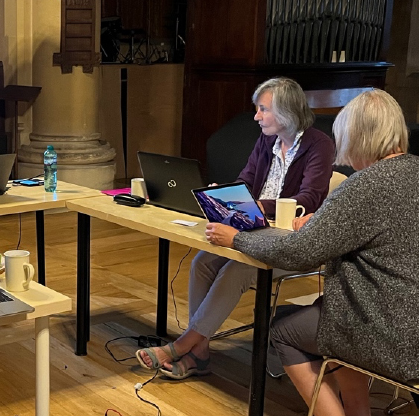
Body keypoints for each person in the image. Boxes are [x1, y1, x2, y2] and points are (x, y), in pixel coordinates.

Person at [204, 89, 419, 416]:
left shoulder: (365, 186)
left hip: (412, 337)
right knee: (336, 315)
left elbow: (298, 254)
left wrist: (236, 238)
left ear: (357, 138)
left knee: (284, 331)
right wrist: (324, 223)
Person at [137, 78, 334, 379]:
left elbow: (308, 198)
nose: (256, 116)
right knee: (202, 262)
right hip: (255, 227)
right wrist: (227, 194)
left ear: (286, 112)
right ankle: (200, 353)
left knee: (237, 271)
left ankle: (183, 345)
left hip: (292, 240)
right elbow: (245, 179)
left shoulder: (318, 145)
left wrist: (254, 205)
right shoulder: (266, 140)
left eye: (263, 109)